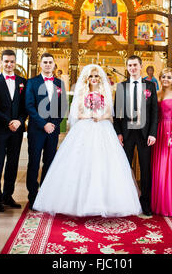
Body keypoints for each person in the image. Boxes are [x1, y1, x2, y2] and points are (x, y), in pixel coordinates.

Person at [33, 65, 142, 217]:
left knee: (104, 164)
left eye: (97, 76)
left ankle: (105, 202)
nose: (94, 79)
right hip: (84, 127)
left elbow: (110, 114)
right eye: (91, 76)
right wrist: (89, 116)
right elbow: (76, 113)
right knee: (80, 162)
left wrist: (101, 117)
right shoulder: (82, 93)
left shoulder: (106, 92)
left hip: (103, 127)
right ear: (87, 79)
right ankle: (77, 202)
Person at [113, 55, 158, 216]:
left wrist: (153, 133)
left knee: (146, 170)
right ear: (127, 67)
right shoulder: (121, 86)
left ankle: (145, 203)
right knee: (124, 168)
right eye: (130, 65)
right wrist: (118, 133)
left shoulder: (150, 86)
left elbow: (154, 113)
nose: (132, 68)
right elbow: (116, 113)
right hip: (126, 134)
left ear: (141, 66)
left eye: (135, 65)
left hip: (144, 134)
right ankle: (124, 202)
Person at [25, 52, 67, 210]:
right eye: (45, 62)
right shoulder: (32, 82)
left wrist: (54, 124)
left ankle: (46, 193)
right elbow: (29, 106)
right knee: (34, 162)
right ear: (41, 64)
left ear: (54, 64)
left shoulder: (59, 83)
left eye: (50, 62)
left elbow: (63, 107)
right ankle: (33, 196)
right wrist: (43, 124)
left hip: (53, 131)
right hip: (37, 129)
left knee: (49, 162)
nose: (48, 64)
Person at [0, 50, 27, 212]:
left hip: (17, 129)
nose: (9, 64)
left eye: (12, 61)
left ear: (15, 62)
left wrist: (19, 120)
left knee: (13, 163)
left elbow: (26, 105)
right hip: (1, 128)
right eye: (6, 61)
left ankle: (7, 195)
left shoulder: (22, 81)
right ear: (1, 62)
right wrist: (8, 121)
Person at [151, 68, 172, 216]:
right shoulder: (156, 94)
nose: (166, 80)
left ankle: (168, 204)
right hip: (157, 130)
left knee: (168, 166)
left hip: (170, 130)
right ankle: (157, 202)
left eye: (169, 77)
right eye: (163, 77)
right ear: (159, 78)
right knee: (157, 166)